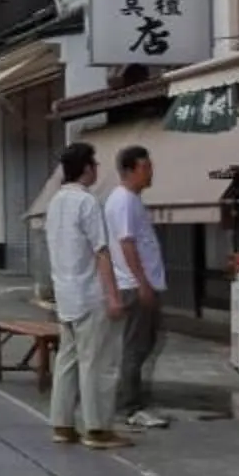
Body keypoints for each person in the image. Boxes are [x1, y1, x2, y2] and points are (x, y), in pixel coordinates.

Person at [40, 142, 127, 450]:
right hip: (89, 293)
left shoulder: (55, 203)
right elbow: (101, 252)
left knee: (67, 360)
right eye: (95, 164)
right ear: (87, 168)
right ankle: (98, 428)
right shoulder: (87, 203)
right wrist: (113, 296)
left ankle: (62, 423)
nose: (97, 170)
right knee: (97, 363)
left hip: (65, 292)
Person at [104, 144, 170, 430]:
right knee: (137, 346)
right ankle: (130, 406)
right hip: (135, 284)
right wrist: (142, 283)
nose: (150, 172)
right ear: (130, 170)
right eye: (145, 167)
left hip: (140, 282)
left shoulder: (129, 200)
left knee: (145, 344)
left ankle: (132, 400)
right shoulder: (124, 201)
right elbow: (127, 244)